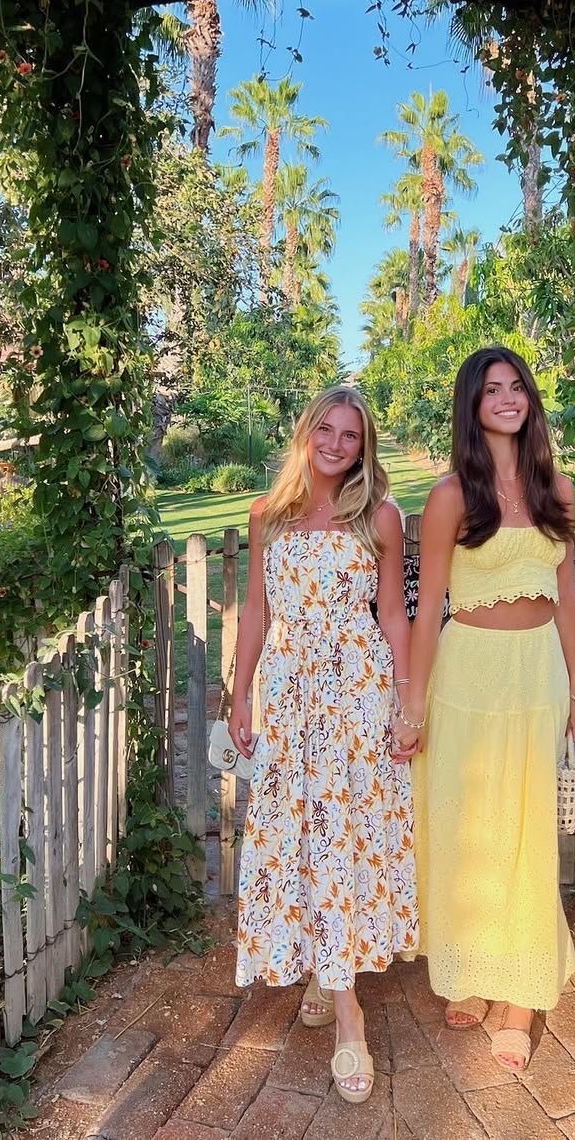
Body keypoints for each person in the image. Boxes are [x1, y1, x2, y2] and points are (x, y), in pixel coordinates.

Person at [229, 386, 418, 1105]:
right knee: (299, 833)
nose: (337, 445)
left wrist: (405, 700)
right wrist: (240, 693)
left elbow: (392, 613)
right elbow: (256, 609)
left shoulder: (380, 516)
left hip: (356, 693)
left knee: (342, 836)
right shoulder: (267, 516)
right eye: (326, 430)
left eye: (351, 435)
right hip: (289, 694)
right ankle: (321, 962)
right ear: (306, 433)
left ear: (364, 446)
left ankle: (348, 1015)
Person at [396, 345, 575, 1072]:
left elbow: (567, 598)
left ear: (529, 400)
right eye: (492, 389)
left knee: (527, 831)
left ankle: (522, 997)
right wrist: (413, 706)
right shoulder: (450, 496)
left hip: (536, 675)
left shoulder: (557, 489)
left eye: (517, 387)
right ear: (472, 406)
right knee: (469, 828)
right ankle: (472, 967)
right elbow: (427, 608)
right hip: (467, 676)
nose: (507, 398)